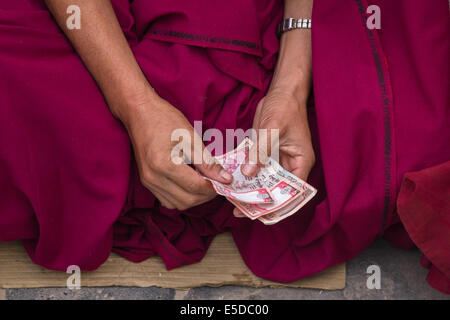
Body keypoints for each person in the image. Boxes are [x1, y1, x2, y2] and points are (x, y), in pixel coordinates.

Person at [0, 0, 448, 293]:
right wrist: (136, 106)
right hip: (90, 19)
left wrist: (291, 86)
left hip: (289, 20)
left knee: (405, 133)